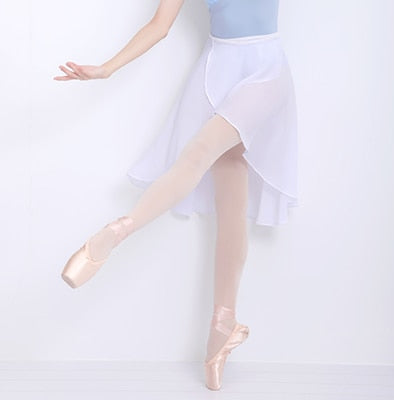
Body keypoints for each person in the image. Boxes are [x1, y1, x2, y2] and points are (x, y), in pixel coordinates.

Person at [54, 0, 298, 391]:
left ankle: (117, 231)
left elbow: (159, 26)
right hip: (216, 72)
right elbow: (159, 25)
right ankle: (222, 326)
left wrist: (107, 68)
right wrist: (106, 68)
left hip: (264, 71)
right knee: (229, 201)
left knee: (199, 155)